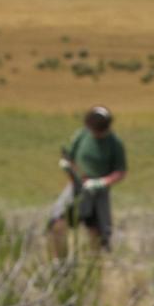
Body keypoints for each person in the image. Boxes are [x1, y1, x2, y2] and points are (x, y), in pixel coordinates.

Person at [47, 105, 127, 258]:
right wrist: (67, 166)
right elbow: (69, 157)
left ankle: (93, 269)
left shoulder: (114, 144)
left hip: (98, 193)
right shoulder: (82, 135)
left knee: (97, 234)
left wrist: (102, 182)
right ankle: (60, 263)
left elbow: (120, 172)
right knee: (57, 222)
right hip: (76, 188)